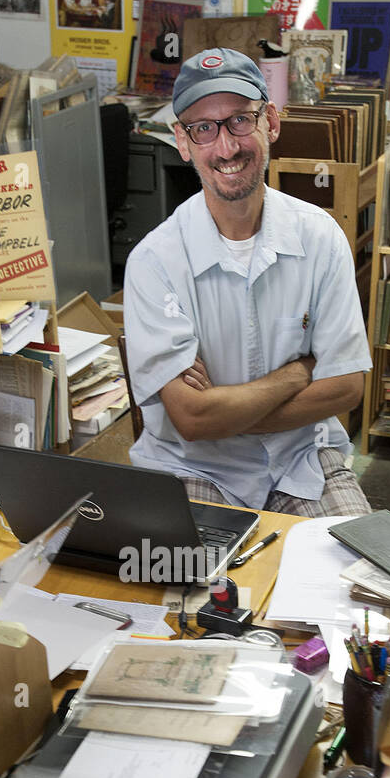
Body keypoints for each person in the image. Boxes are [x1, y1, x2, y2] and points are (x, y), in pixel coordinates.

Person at [123, 48, 371, 517]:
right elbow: (192, 420)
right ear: (182, 141)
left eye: (240, 120)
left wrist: (225, 410)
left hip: (305, 458)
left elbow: (346, 388)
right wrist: (300, 372)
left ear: (270, 122)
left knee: (355, 584)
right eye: (204, 128)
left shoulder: (321, 237)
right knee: (191, 587)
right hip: (193, 467)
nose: (226, 147)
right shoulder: (154, 263)